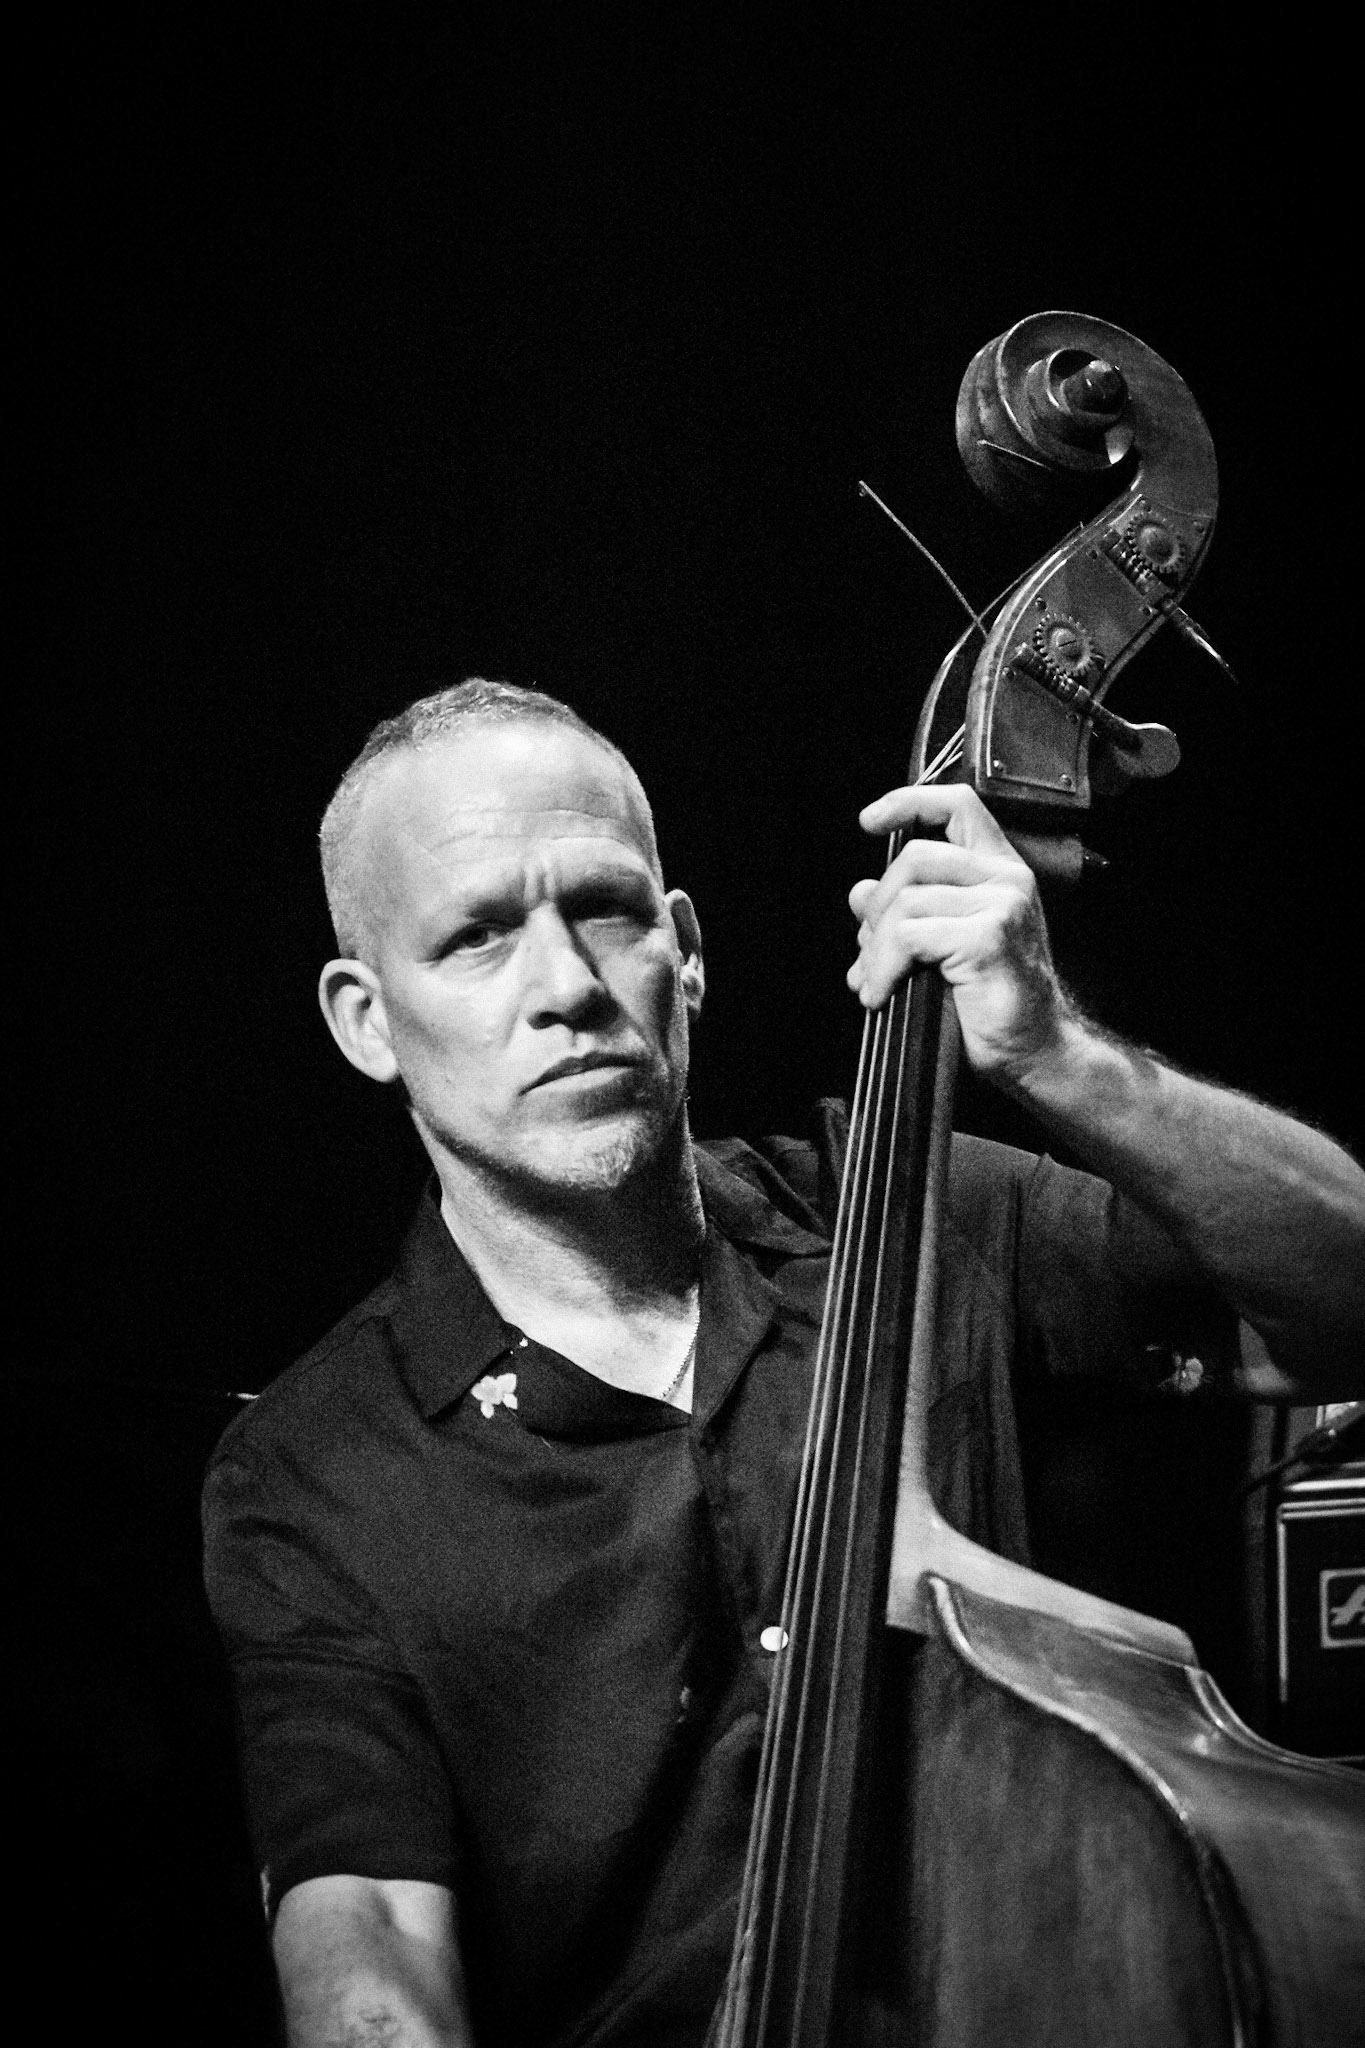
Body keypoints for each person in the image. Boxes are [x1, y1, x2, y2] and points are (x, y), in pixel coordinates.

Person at [203, 678, 1365, 2048]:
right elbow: (373, 1950)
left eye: (606, 909)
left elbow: (1340, 1309)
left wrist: (1057, 1054)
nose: (566, 986)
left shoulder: (926, 1214)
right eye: (475, 939)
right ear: (365, 1019)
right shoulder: (314, 1472)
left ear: (683, 951)